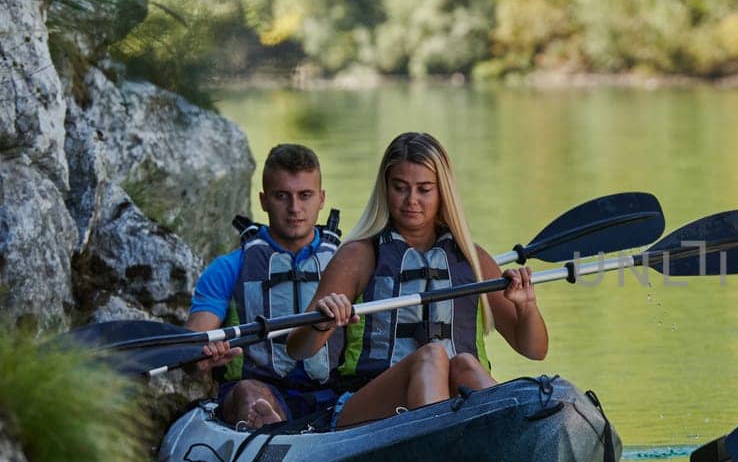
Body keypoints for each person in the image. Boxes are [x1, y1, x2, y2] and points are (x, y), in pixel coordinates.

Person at [285, 131, 546, 428]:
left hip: (449, 404)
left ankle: (515, 433)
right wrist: (321, 322)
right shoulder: (358, 255)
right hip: (365, 409)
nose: (411, 201)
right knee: (432, 356)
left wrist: (526, 307)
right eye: (400, 187)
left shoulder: (473, 260)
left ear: (442, 192)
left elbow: (534, 350)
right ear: (385, 189)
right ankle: (443, 451)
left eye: (424, 189)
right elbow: (298, 348)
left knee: (463, 363)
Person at [186, 143, 344, 429]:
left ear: (321, 199)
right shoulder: (228, 268)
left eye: (305, 195)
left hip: (334, 394)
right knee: (249, 394)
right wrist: (205, 354)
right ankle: (268, 430)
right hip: (262, 389)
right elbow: (195, 343)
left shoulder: (347, 264)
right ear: (263, 200)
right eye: (282, 196)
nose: (295, 208)